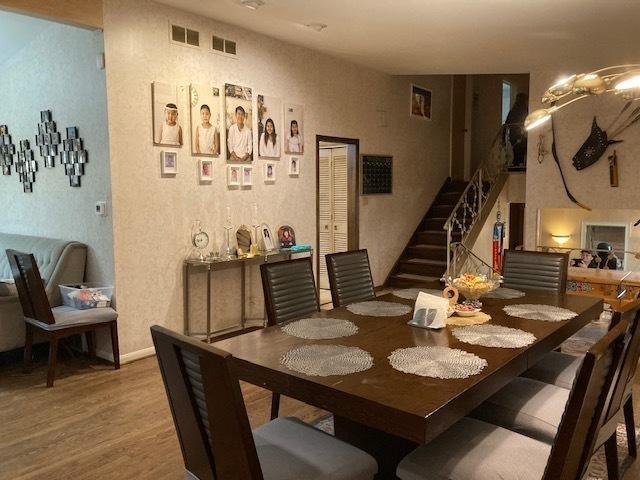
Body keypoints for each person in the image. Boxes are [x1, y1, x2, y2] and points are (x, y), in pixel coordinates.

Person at [504, 93, 528, 167]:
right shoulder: (525, 110)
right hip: (521, 134)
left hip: (513, 134)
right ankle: (519, 165)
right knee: (521, 151)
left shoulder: (512, 111)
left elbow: (507, 123)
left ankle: (516, 164)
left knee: (516, 151)